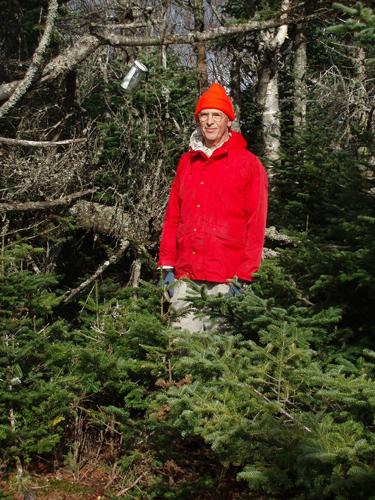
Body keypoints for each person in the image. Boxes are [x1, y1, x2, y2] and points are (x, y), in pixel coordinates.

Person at [158, 82, 268, 332]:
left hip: (227, 278)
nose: (209, 121)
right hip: (186, 276)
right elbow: (173, 216)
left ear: (229, 120)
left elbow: (256, 223)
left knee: (220, 357)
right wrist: (166, 264)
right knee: (181, 352)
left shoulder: (248, 164)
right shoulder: (187, 162)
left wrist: (245, 275)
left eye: (216, 115)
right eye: (204, 115)